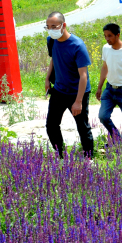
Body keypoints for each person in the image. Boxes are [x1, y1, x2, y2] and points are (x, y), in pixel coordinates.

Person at [44, 11, 94, 159]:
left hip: (77, 92)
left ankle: (89, 158)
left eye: (54, 26)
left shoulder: (77, 45)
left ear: (63, 25)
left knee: (82, 127)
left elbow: (83, 75)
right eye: (48, 26)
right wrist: (47, 79)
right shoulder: (51, 41)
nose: (51, 29)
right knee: (51, 126)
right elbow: (53, 59)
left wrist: (78, 102)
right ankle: (61, 156)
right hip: (59, 91)